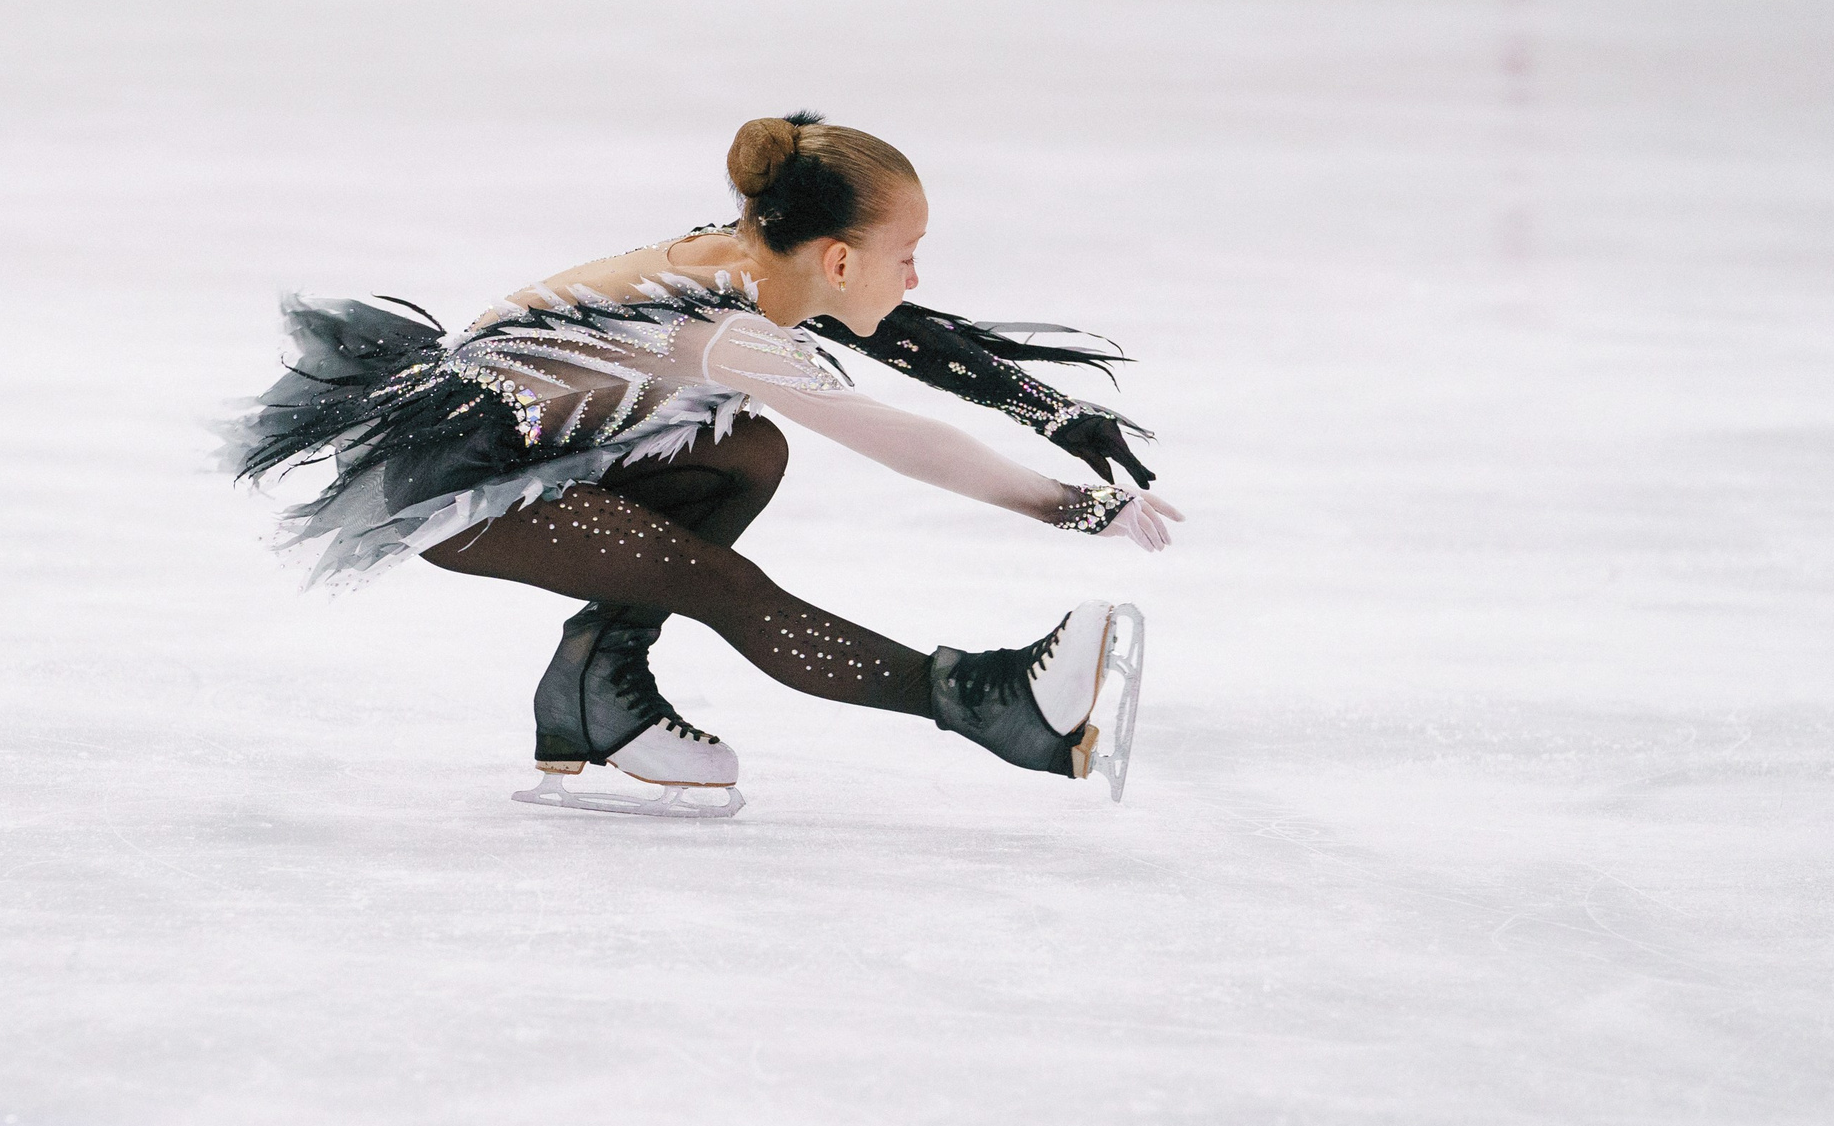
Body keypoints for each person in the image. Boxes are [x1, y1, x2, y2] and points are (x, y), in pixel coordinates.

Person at [224, 113, 1182, 816]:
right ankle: (993, 702)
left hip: (535, 443)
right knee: (724, 585)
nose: (916, 276)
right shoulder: (728, 333)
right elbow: (900, 440)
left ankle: (596, 687)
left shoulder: (760, 259)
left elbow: (908, 336)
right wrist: (1073, 508)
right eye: (909, 253)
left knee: (746, 452)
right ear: (839, 260)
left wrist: (1056, 413)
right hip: (459, 482)